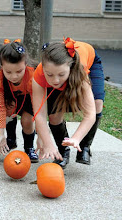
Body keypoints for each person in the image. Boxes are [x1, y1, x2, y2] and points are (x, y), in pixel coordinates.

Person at [32, 37, 104, 169]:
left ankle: (85, 147)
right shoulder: (39, 74)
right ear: (44, 70)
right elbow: (40, 115)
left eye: (61, 74)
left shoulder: (79, 71)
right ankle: (63, 151)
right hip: (62, 70)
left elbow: (90, 115)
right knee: (54, 115)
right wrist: (47, 143)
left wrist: (76, 138)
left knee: (97, 103)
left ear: (70, 69)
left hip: (91, 62)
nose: (55, 80)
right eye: (50, 75)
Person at [0, 39, 38, 162]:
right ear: (2, 67)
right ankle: (10, 140)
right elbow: (0, 107)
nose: (14, 76)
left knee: (27, 121)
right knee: (7, 112)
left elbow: (38, 104)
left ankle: (29, 148)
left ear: (25, 64)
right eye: (8, 72)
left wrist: (40, 129)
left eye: (19, 71)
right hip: (11, 98)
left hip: (29, 98)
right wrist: (0, 134)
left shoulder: (33, 76)